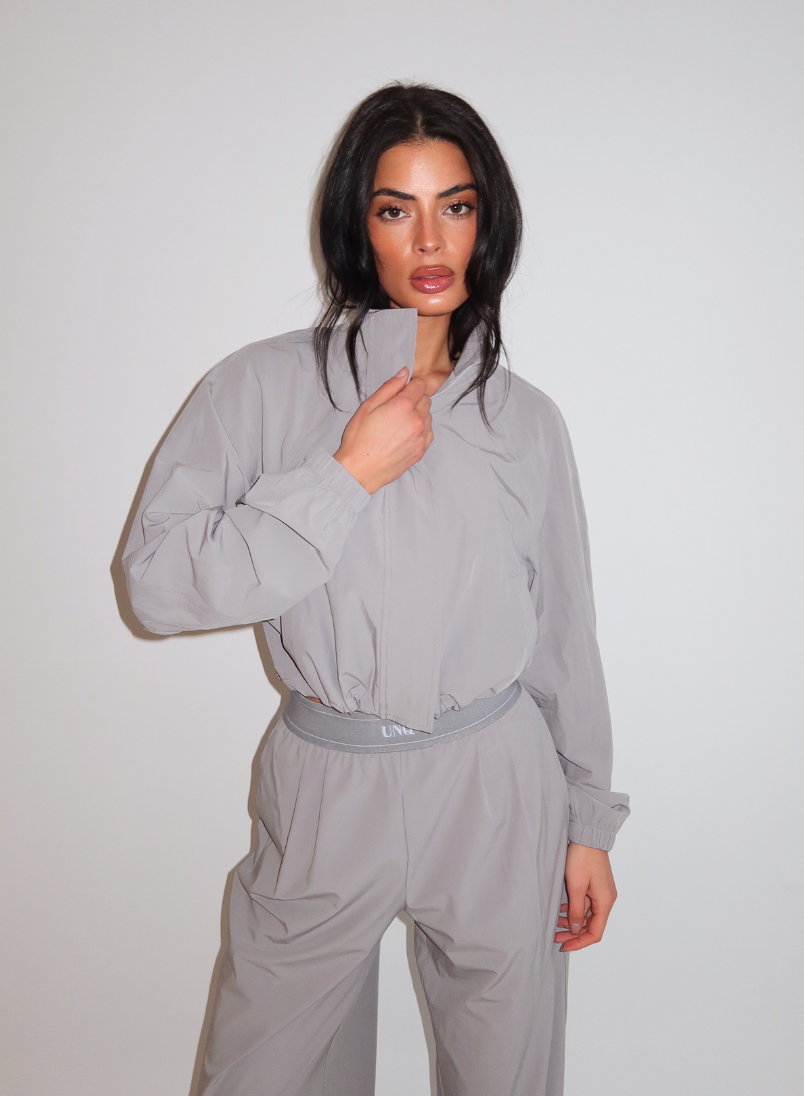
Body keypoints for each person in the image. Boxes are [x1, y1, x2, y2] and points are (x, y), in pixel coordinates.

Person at [122, 82, 630, 1096]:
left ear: (488, 223)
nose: (429, 239)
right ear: (358, 224)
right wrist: (343, 475)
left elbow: (563, 636)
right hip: (328, 782)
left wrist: (588, 823)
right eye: (397, 208)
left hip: (495, 785)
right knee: (261, 1072)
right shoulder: (258, 389)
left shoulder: (527, 421)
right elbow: (155, 586)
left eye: (457, 205)